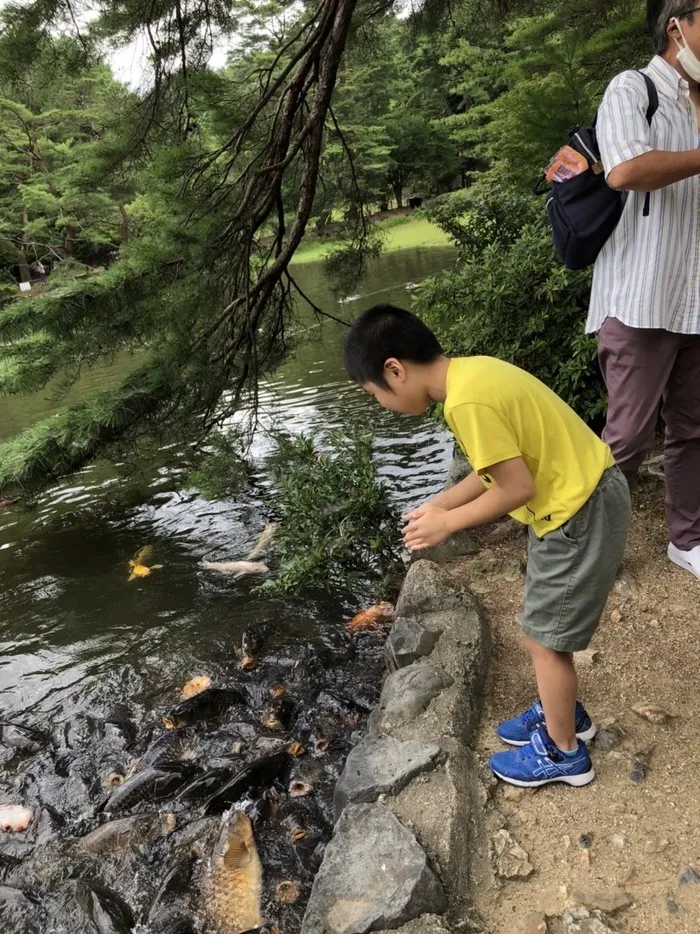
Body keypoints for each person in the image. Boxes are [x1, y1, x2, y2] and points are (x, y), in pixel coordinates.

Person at [343, 305, 631, 788]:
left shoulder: (465, 404)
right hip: (577, 498)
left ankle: (564, 755)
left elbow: (514, 487)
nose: (380, 404)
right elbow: (491, 468)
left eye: (375, 393)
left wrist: (447, 525)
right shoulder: (474, 374)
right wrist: (439, 503)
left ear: (395, 370)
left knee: (544, 641)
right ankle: (564, 713)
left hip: (576, 512)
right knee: (542, 632)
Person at [589, 0, 700, 579]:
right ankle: (589, 550)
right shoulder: (631, 90)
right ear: (678, 26)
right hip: (640, 300)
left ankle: (688, 540)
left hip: (696, 300)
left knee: (694, 429)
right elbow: (624, 169)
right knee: (626, 440)